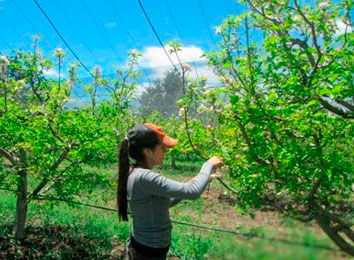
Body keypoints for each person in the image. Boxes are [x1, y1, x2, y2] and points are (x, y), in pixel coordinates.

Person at [117, 123, 224, 260]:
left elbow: (161, 205)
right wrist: (208, 165)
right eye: (162, 147)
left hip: (146, 248)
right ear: (147, 151)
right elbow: (193, 192)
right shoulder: (145, 177)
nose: (165, 152)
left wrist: (201, 180)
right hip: (147, 253)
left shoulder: (137, 174)